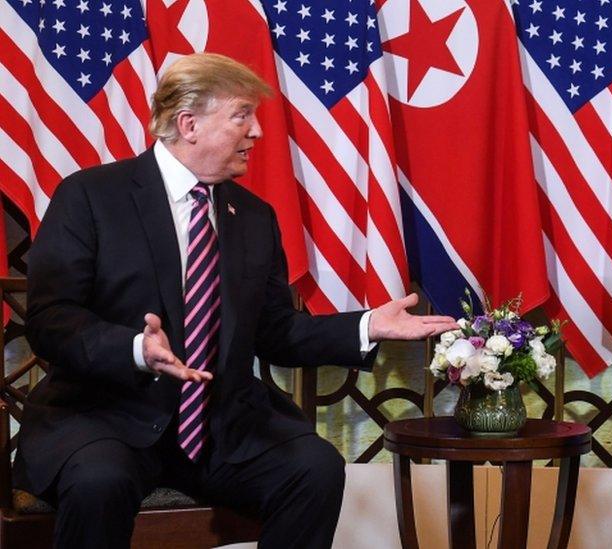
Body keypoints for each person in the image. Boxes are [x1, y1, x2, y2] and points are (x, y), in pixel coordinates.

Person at [12, 52, 457, 548]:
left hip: (219, 425)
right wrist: (135, 348)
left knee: (315, 469)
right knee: (100, 483)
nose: (257, 132)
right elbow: (51, 319)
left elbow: (275, 331)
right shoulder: (90, 196)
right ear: (189, 124)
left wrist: (367, 326)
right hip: (104, 416)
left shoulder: (253, 216)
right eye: (242, 114)